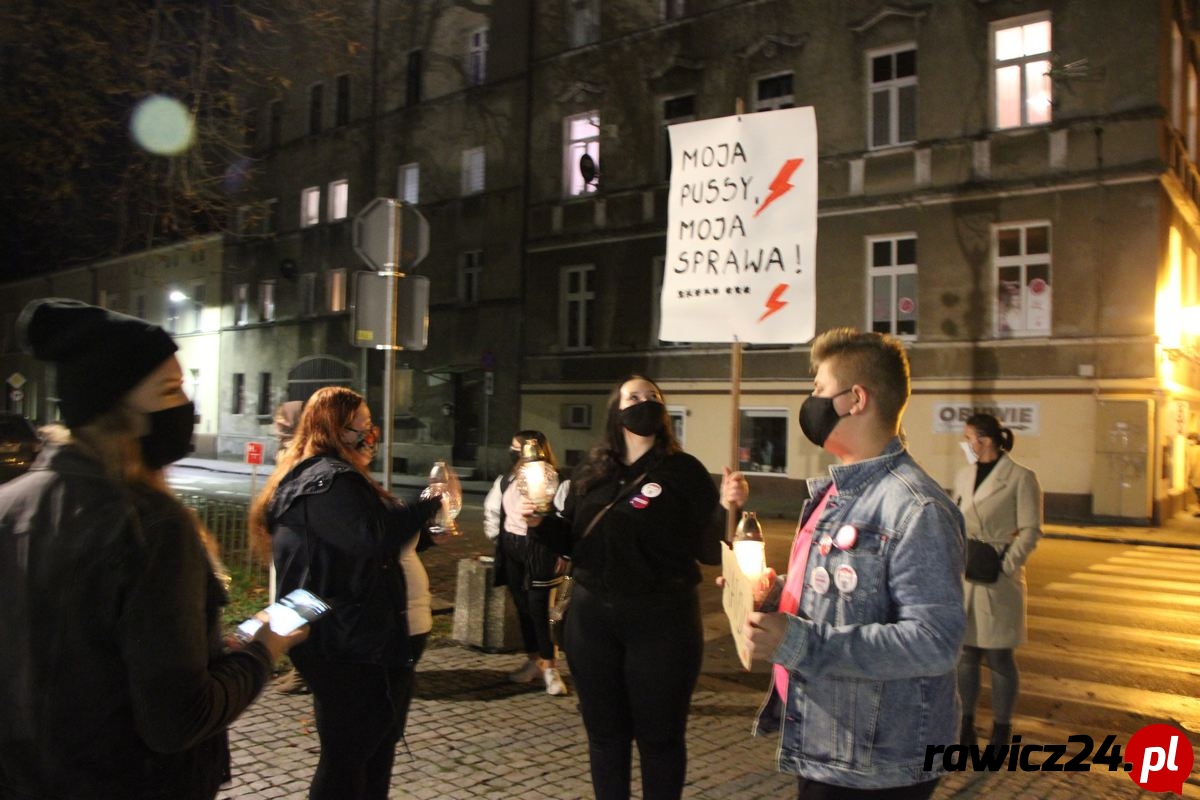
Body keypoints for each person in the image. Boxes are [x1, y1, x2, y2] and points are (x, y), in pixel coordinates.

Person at [0, 298, 303, 800]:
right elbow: (180, 719)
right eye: (169, 389)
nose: (186, 405)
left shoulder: (10, 505)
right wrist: (264, 647)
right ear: (115, 407)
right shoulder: (150, 526)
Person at [739, 328, 966, 800]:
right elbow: (844, 590)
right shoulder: (838, 492)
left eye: (819, 389)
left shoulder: (916, 508)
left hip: (877, 763)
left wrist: (798, 642)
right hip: (830, 741)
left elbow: (934, 642)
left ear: (855, 400)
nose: (811, 402)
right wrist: (774, 592)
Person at [527, 374, 739, 800]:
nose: (645, 401)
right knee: (605, 736)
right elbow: (573, 542)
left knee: (660, 738)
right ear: (616, 411)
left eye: (653, 396)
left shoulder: (684, 471)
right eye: (634, 396)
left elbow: (709, 550)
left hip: (662, 621)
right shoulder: (591, 472)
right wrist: (539, 523)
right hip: (592, 621)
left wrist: (726, 508)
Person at [248, 386, 443, 800]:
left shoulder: (325, 478)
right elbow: (371, 537)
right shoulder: (329, 480)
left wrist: (423, 535)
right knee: (349, 756)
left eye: (372, 427)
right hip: (349, 642)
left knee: (373, 750)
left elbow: (356, 549)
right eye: (363, 426)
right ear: (336, 428)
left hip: (357, 636)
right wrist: (427, 502)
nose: (371, 435)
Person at [953, 412, 1043, 749]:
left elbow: (1031, 529)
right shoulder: (964, 475)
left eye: (969, 438)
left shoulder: (1021, 477)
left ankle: (1001, 729)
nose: (966, 444)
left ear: (985, 440)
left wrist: (1006, 564)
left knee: (1000, 656)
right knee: (967, 654)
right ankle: (965, 725)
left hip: (997, 579)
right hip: (967, 574)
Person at [484, 430, 568, 695]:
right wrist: (498, 539)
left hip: (540, 549)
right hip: (512, 547)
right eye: (512, 448)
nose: (514, 454)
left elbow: (565, 519)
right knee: (522, 607)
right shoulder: (507, 479)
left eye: (518, 449)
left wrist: (563, 552)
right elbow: (493, 510)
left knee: (539, 608)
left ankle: (551, 667)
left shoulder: (553, 479)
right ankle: (535, 660)